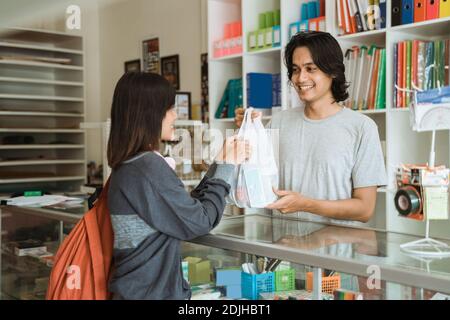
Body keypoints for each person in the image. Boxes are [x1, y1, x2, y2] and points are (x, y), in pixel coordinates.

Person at [106, 72, 250, 300]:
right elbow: (200, 221)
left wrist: (222, 163)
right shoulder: (147, 167)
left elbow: (183, 209)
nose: (175, 116)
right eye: (170, 108)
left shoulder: (129, 165)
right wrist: (227, 165)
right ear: (150, 114)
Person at [235, 31, 387, 226]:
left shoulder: (362, 128)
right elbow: (251, 171)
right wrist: (246, 129)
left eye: (310, 68)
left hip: (337, 252)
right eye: (296, 69)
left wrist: (307, 205)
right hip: (285, 248)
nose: (300, 78)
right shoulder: (279, 122)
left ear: (332, 71)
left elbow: (365, 209)